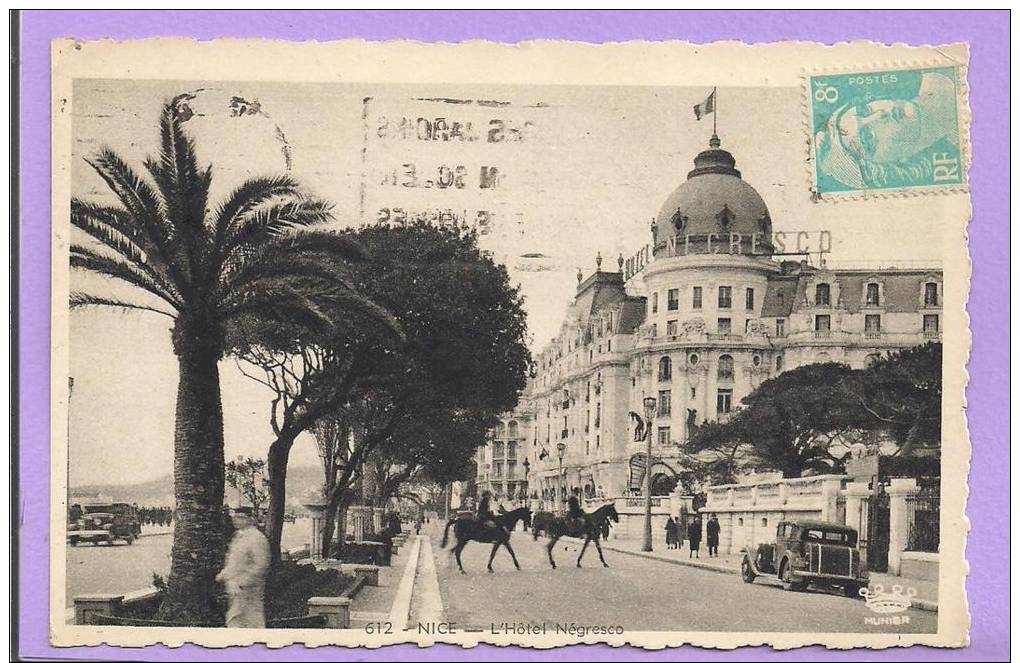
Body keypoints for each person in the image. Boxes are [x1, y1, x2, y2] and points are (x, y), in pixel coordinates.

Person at [215, 507, 270, 628]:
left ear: (250, 519)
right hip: (235, 588)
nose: (236, 520)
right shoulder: (239, 536)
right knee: (236, 620)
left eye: (240, 517)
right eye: (235, 517)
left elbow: (261, 565)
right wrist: (222, 575)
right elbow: (234, 561)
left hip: (249, 589)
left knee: (250, 621)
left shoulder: (257, 538)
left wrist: (243, 582)